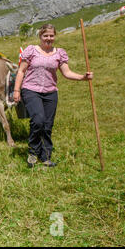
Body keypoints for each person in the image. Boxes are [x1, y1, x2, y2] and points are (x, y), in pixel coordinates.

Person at [13, 24, 93, 168]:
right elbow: (21, 71)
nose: (49, 38)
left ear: (54, 36)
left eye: (51, 36)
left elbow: (67, 73)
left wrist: (83, 77)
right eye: (46, 36)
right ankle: (32, 151)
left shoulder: (59, 53)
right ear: (40, 36)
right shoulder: (31, 50)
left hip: (50, 93)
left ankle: (45, 156)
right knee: (38, 120)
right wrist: (16, 90)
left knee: (48, 125)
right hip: (31, 90)